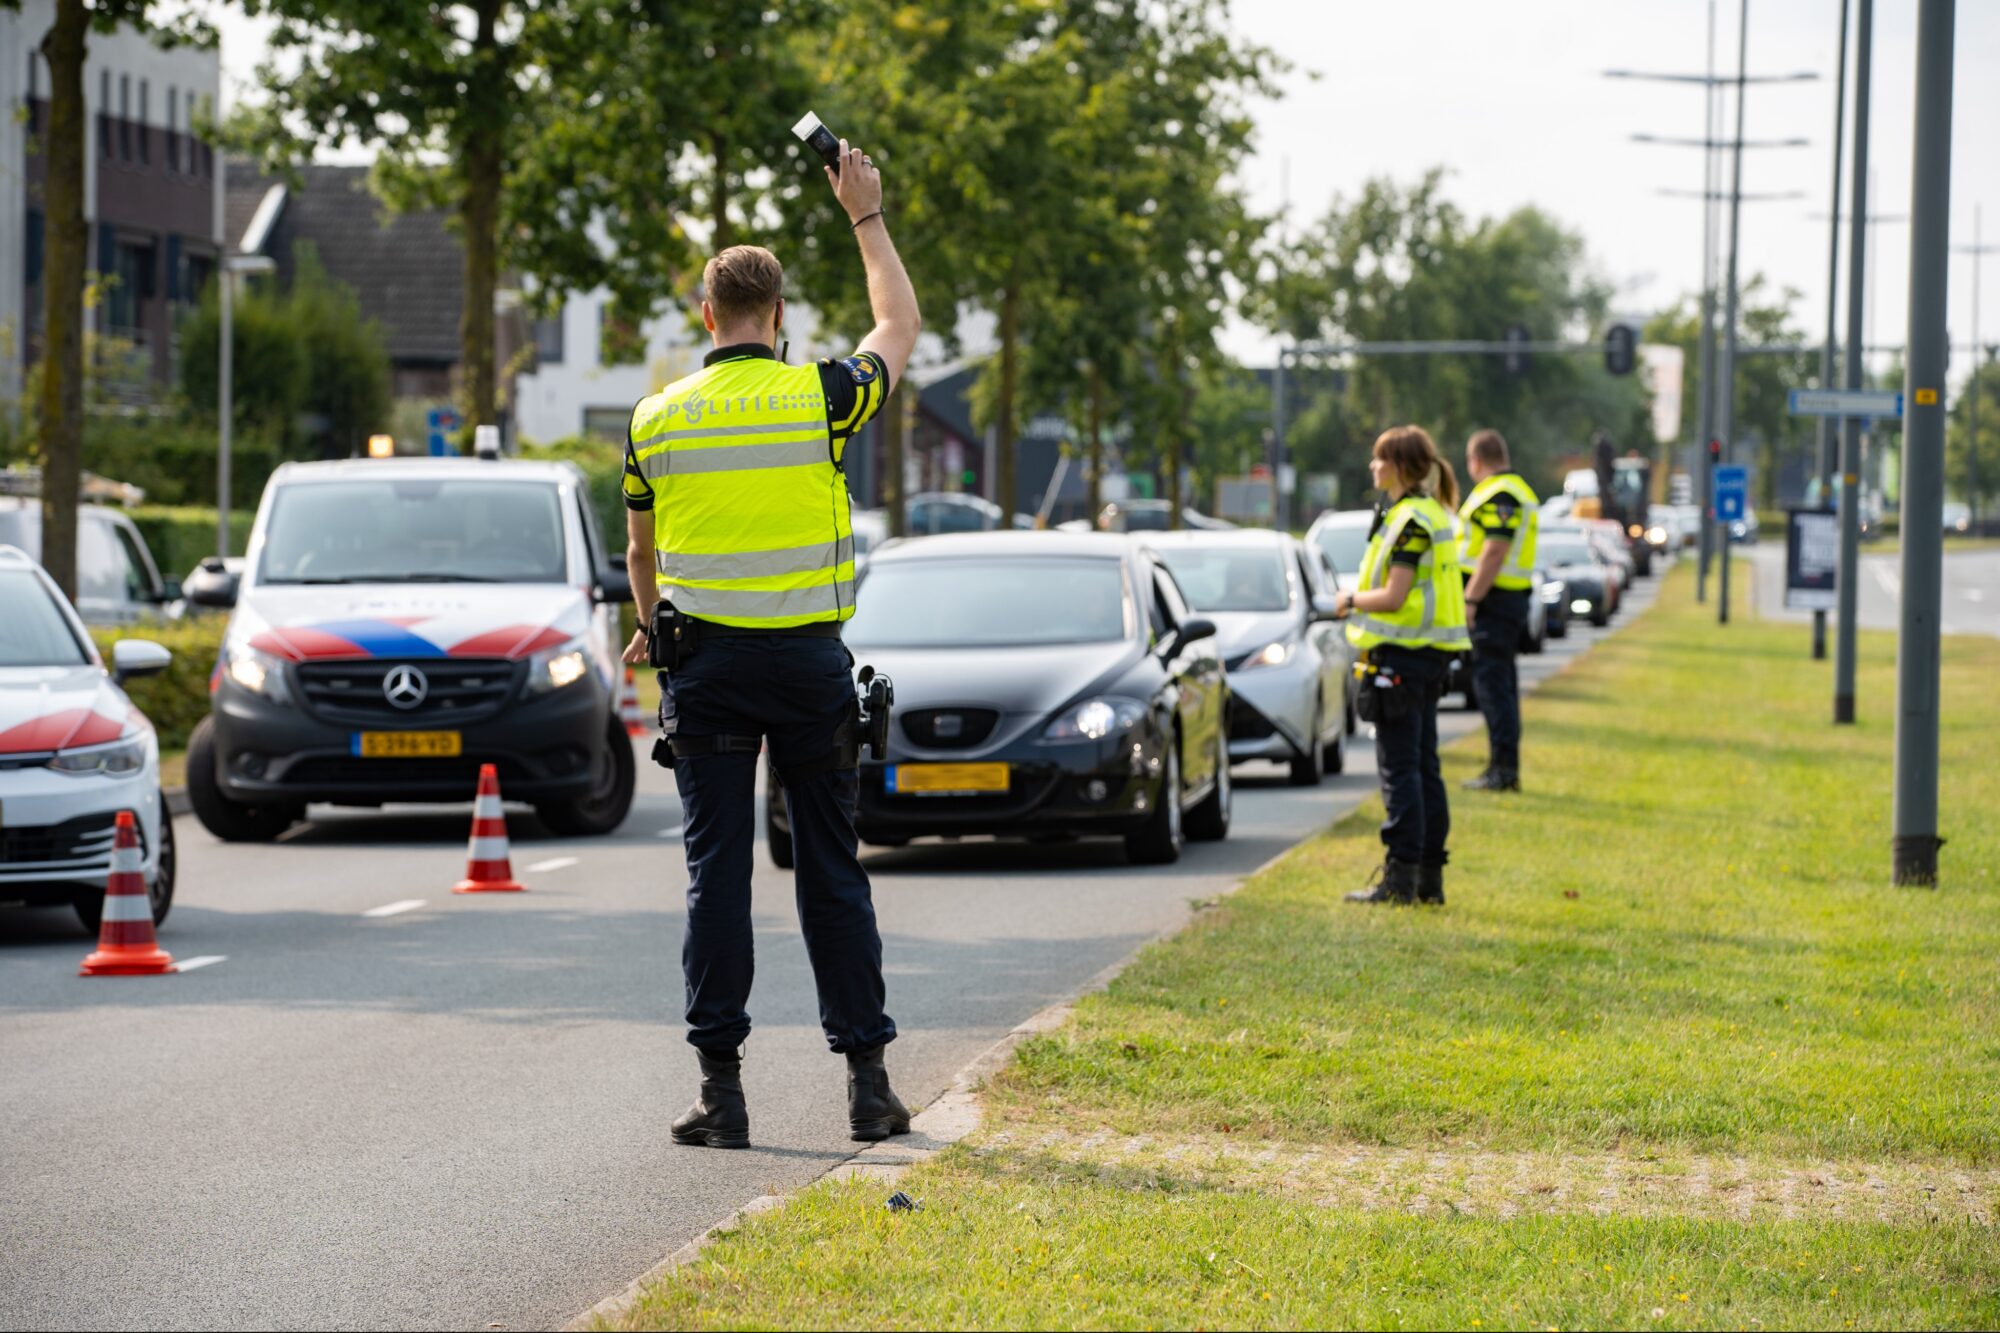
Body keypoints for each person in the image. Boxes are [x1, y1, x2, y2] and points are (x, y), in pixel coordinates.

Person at [619, 141, 921, 1149]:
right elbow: (900, 324)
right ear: (777, 315)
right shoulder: (820, 396)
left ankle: (723, 1096)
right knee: (831, 867)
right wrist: (863, 215)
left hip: (704, 672)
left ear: (707, 318)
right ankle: (868, 1091)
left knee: (718, 874)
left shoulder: (654, 419)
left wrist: (651, 618)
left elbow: (639, 548)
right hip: (805, 668)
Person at [1331, 426, 1469, 906]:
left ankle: (1400, 880)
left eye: (1379, 458)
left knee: (1401, 771)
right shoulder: (1430, 514)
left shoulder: (1410, 520)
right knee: (1424, 766)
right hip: (1426, 657)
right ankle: (1428, 880)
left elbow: (1393, 596)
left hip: (1402, 657)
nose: (1373, 466)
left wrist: (1348, 600)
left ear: (1400, 466)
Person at [1458, 429, 1540, 792]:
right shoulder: (1513, 490)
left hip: (1495, 602)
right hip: (1505, 600)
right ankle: (1502, 766)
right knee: (1500, 687)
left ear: (1476, 461)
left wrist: (1471, 600)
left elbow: (1494, 551)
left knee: (1493, 688)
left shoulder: (1501, 494)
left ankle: (1503, 771)